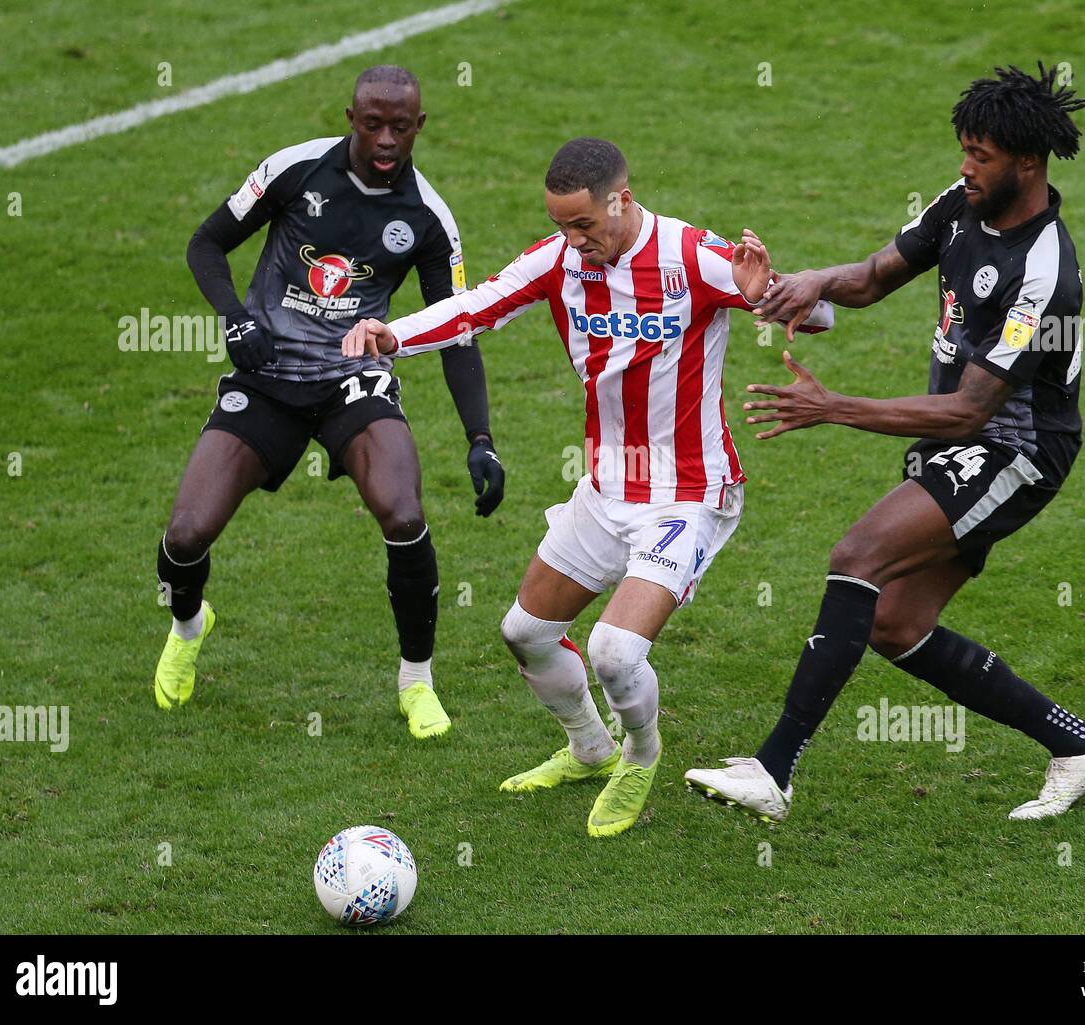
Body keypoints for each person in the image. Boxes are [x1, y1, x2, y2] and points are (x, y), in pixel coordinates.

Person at [343, 137, 834, 835]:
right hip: (606, 488)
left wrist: (770, 297)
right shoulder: (561, 261)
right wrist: (392, 334)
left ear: (621, 200)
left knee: (612, 650)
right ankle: (589, 747)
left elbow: (822, 314)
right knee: (526, 632)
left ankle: (641, 753)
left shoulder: (692, 255)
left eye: (584, 225)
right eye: (560, 226)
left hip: (688, 491)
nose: (573, 241)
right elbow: (477, 305)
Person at [685, 63, 1085, 822]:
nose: (964, 165)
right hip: (956, 438)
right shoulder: (962, 204)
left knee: (858, 555)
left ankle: (774, 769)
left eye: (980, 154)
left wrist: (834, 407)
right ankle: (1080, 745)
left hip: (1015, 450)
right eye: (964, 148)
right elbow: (873, 276)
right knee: (894, 622)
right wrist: (808, 283)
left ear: (1027, 161)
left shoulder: (1046, 272)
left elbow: (968, 412)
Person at [153, 66, 504, 741]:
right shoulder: (294, 170)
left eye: (399, 127)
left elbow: (457, 327)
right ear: (351, 116)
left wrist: (480, 437)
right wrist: (234, 318)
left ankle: (416, 680)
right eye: (372, 122)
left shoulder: (428, 217)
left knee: (403, 513)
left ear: (419, 128)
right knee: (186, 533)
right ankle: (189, 623)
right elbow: (206, 244)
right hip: (268, 375)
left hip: (353, 378)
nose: (384, 138)